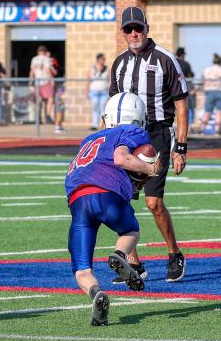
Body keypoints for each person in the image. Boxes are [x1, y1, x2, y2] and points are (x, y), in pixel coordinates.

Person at [108, 5, 189, 283]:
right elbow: (111, 106)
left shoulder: (165, 59)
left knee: (154, 202)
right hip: (125, 137)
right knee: (120, 200)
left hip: (156, 134)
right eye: (128, 29)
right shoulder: (119, 63)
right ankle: (133, 263)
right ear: (123, 32)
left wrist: (181, 147)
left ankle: (174, 253)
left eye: (138, 28)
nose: (134, 33)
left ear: (146, 29)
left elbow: (181, 106)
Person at [65, 92, 161, 325]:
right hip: (106, 193)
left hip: (77, 200)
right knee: (130, 231)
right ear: (138, 118)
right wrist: (150, 170)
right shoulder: (133, 131)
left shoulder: (89, 139)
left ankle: (96, 293)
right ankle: (119, 255)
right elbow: (120, 158)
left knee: (82, 270)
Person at [198, 53, 221, 134]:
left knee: (207, 111)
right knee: (219, 112)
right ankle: (217, 130)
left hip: (210, 91)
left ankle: (201, 129)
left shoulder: (206, 70)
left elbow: (202, 82)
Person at [31, 45, 55, 123]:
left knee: (39, 100)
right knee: (50, 98)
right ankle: (48, 116)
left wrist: (31, 82)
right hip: (45, 81)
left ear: (38, 52)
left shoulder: (34, 59)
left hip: (37, 82)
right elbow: (48, 70)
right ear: (45, 52)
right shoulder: (46, 59)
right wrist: (52, 80)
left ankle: (38, 117)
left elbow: (32, 71)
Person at [176, 47, 197, 127]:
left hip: (175, 87)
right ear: (182, 55)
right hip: (185, 86)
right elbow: (189, 75)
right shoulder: (186, 64)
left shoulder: (173, 62)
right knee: (189, 105)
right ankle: (190, 124)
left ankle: (179, 124)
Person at [89, 53, 110, 129]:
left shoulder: (107, 68)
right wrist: (87, 91)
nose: (104, 60)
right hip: (94, 91)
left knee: (103, 108)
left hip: (104, 91)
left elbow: (109, 80)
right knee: (95, 108)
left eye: (104, 59)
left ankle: (104, 124)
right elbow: (89, 80)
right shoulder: (93, 68)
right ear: (98, 59)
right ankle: (95, 124)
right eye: (102, 59)